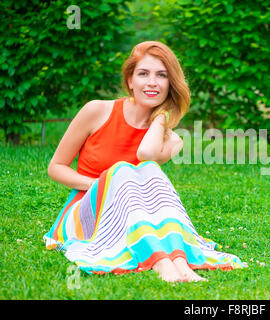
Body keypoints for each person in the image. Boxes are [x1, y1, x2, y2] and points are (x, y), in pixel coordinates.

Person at [44, 41, 246, 282]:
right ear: (130, 80)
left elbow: (146, 155)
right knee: (120, 171)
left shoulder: (172, 140)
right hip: (85, 216)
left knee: (147, 169)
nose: (152, 82)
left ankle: (180, 263)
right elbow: (56, 167)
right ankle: (162, 265)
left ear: (171, 84)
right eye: (143, 74)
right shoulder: (97, 111)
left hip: (133, 220)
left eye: (161, 75)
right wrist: (104, 187)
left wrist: (161, 118)